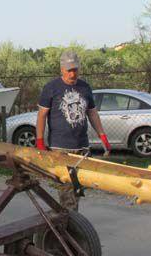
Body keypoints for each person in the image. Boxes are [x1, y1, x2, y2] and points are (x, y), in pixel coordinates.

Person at [36, 51, 111, 210]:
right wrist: (40, 141)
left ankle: (69, 221)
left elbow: (92, 112)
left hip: (82, 146)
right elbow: (42, 115)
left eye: (75, 69)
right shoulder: (51, 88)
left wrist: (102, 136)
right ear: (62, 69)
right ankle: (69, 223)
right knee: (67, 189)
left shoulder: (85, 87)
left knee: (77, 188)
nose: (72, 73)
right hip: (60, 147)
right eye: (69, 70)